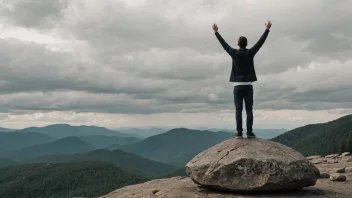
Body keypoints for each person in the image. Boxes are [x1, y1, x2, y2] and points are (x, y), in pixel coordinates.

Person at [213, 21, 272, 139]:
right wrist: (267, 29)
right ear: (247, 44)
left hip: (237, 86)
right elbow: (260, 43)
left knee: (238, 109)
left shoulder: (234, 53)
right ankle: (249, 132)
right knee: (249, 109)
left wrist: (216, 32)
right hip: (248, 85)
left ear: (238, 44)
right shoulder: (250, 52)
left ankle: (239, 133)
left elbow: (224, 44)